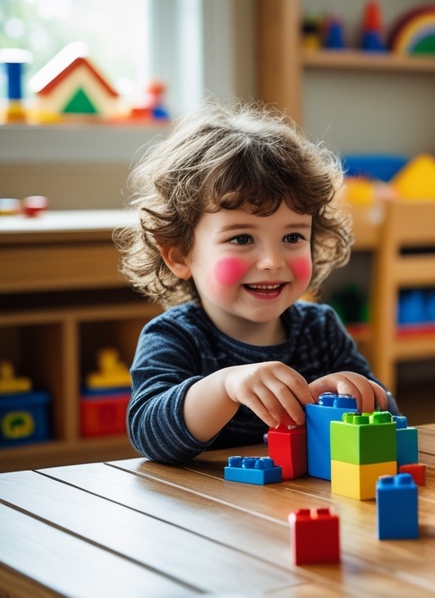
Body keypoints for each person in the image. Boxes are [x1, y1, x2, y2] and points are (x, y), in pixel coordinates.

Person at [116, 101, 389, 465]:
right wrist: (225, 386)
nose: (272, 262)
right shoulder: (174, 337)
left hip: (299, 508)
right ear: (180, 256)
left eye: (292, 238)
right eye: (242, 239)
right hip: (206, 515)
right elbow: (149, 435)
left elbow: (389, 420)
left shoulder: (321, 330)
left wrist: (356, 397)